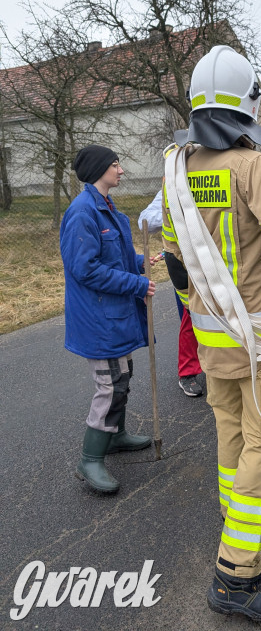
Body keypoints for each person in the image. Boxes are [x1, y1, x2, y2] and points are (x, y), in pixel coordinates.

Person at [161, 46, 261, 624]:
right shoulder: (254, 167)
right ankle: (236, 577)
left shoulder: (180, 167)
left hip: (214, 339)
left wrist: (198, 309)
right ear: (245, 105)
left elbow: (176, 263)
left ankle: (238, 532)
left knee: (232, 437)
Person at [60, 145, 155, 495]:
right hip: (98, 317)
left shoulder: (107, 206)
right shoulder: (83, 211)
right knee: (110, 384)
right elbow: (84, 269)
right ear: (100, 169)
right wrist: (137, 283)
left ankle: (115, 437)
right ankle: (90, 459)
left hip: (115, 314)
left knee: (123, 377)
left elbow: (115, 253)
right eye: (116, 165)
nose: (122, 170)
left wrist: (142, 260)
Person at [138, 191, 203, 397]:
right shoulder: (173, 182)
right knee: (191, 316)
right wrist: (181, 213)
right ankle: (188, 373)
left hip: (221, 258)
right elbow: (145, 220)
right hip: (184, 261)